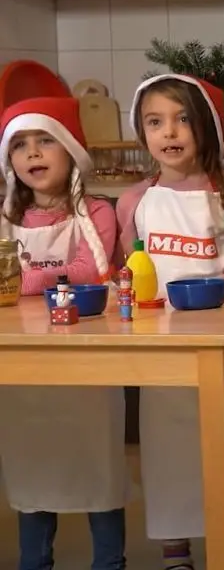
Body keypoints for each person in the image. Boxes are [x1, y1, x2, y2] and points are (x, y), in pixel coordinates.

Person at [117, 74, 224, 570]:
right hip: (163, 356)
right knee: (171, 455)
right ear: (141, 133)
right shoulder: (134, 202)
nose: (169, 132)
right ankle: (176, 555)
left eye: (182, 119)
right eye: (155, 122)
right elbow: (130, 270)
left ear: (207, 128)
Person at [0, 96, 128, 570]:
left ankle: (109, 561)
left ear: (71, 150)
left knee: (100, 469)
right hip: (23, 367)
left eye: (45, 141)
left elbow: (91, 270)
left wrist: (24, 280)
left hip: (87, 366)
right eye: (20, 146)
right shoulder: (7, 218)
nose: (33, 154)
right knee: (32, 469)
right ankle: (34, 562)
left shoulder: (96, 212)